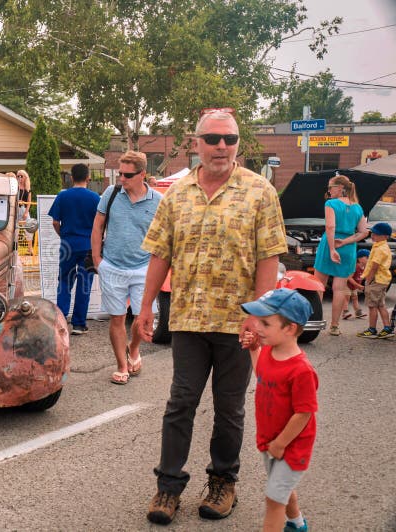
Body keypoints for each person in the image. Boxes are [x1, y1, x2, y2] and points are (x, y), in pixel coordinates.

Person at [136, 109, 287, 524]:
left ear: (239, 144)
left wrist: (258, 317)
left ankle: (223, 483)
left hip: (238, 323)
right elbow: (161, 253)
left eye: (231, 139)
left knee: (229, 407)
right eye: (214, 139)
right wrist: (146, 305)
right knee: (180, 402)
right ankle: (168, 487)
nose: (222, 146)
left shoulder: (259, 192)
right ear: (196, 143)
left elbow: (268, 259)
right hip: (187, 319)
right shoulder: (177, 194)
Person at [240, 288, 318, 532]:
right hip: (269, 439)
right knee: (280, 487)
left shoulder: (302, 370)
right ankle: (296, 524)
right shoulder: (270, 352)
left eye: (265, 322)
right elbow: (262, 376)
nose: (257, 327)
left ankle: (288, 524)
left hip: (292, 444)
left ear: (290, 328)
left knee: (274, 500)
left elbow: (304, 414)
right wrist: (254, 350)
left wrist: (282, 443)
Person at [90, 150, 162, 385]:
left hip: (144, 268)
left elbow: (163, 237)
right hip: (112, 266)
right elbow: (98, 226)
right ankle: (121, 365)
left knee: (141, 319)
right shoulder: (111, 193)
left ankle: (133, 349)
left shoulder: (158, 201)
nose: (121, 179)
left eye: (127, 175)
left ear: (142, 174)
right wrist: (97, 259)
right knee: (117, 318)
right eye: (120, 173)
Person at [312, 174, 368, 336]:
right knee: (339, 289)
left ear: (340, 188)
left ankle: (314, 322)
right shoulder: (357, 207)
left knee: (318, 286)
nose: (328, 191)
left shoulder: (331, 203)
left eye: (330, 187)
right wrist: (345, 242)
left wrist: (332, 249)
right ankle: (334, 326)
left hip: (330, 244)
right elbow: (364, 232)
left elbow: (330, 227)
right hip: (348, 248)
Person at [48, 163, 101, 334]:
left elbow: (55, 222)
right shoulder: (95, 198)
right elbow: (100, 225)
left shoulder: (62, 197)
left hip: (68, 245)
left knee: (64, 282)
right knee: (84, 284)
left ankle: (61, 322)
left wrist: (63, 235)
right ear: (88, 177)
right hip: (88, 246)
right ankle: (79, 324)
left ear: (71, 177)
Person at [356, 222, 394, 339]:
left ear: (386, 236)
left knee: (372, 306)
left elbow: (374, 266)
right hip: (382, 280)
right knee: (380, 305)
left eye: (377, 234)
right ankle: (387, 328)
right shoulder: (380, 246)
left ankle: (372, 329)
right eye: (373, 233)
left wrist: (368, 280)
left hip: (376, 281)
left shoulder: (380, 249)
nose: (373, 236)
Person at [342, 249, 368, 320]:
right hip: (347, 285)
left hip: (354, 286)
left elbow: (361, 277)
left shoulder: (365, 268)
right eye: (367, 257)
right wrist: (358, 285)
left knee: (355, 298)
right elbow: (349, 278)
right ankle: (345, 312)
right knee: (346, 298)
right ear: (359, 259)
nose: (368, 259)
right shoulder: (355, 267)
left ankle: (358, 312)